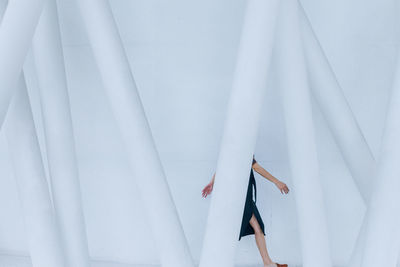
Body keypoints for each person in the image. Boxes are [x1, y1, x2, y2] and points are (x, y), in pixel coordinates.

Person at [202, 156, 289, 267]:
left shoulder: (236, 146)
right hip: (240, 197)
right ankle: (216, 261)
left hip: (244, 197)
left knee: (258, 227)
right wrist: (277, 182)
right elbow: (256, 167)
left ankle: (268, 263)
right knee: (237, 230)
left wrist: (212, 182)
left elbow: (223, 165)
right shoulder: (240, 146)